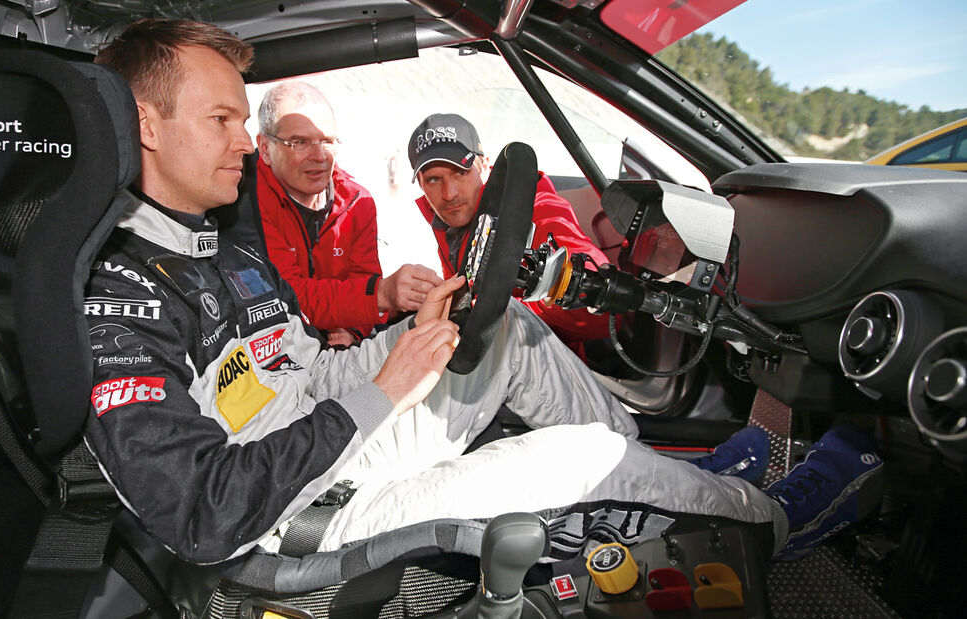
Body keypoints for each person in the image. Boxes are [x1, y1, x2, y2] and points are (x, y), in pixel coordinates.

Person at [85, 18, 883, 568]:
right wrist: (386, 388)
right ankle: (776, 519)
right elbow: (204, 514)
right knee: (581, 458)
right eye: (224, 118)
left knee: (502, 332)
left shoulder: (222, 255)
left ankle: (680, 482)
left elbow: (299, 376)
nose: (244, 142)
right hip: (303, 514)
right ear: (144, 125)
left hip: (339, 443)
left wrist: (402, 343)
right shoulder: (120, 301)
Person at [254, 81, 442, 347]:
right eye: (300, 142)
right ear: (264, 149)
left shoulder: (358, 202)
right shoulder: (247, 201)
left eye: (327, 141)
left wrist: (353, 332)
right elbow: (287, 296)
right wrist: (383, 293)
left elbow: (363, 281)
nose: (319, 156)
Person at [409, 113, 614, 356]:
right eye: (433, 179)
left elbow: (602, 309)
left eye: (460, 172)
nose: (449, 193)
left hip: (544, 367)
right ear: (421, 184)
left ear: (484, 166)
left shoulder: (531, 208)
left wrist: (513, 295)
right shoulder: (446, 225)